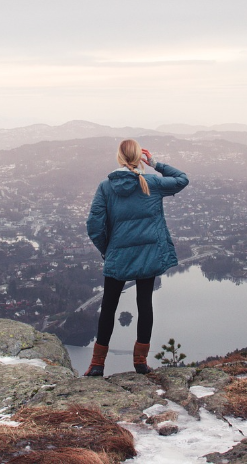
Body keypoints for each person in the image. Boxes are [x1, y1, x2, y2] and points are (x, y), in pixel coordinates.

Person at [84, 139, 189, 376]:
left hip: (118, 256)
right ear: (137, 158)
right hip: (148, 255)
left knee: (108, 307)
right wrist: (155, 163)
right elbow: (182, 179)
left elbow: (94, 225)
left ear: (120, 158)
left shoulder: (106, 187)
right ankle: (140, 363)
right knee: (145, 305)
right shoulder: (151, 182)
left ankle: (97, 364)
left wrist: (107, 249)